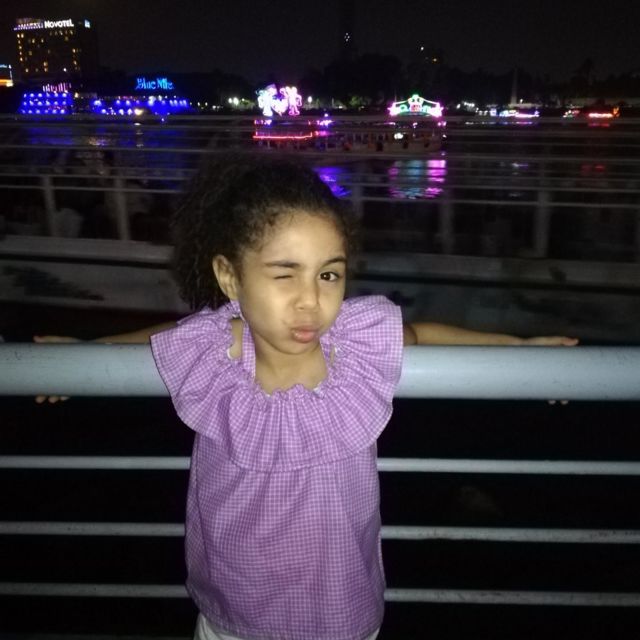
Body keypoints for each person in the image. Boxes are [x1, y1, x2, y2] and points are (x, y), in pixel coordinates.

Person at [34, 155, 577, 640]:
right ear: (230, 277)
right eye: (284, 275)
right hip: (235, 611)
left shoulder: (355, 346)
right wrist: (83, 356)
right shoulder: (214, 350)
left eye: (329, 274)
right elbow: (155, 341)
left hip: (340, 610)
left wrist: (520, 347)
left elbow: (423, 333)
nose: (310, 301)